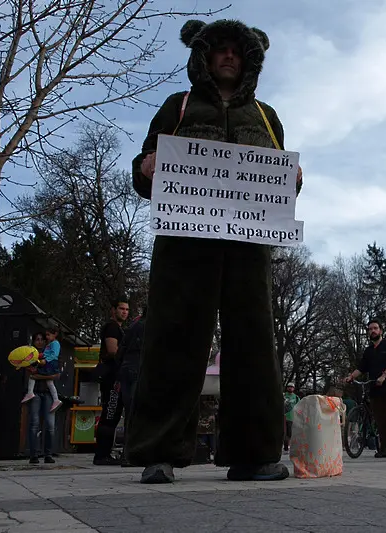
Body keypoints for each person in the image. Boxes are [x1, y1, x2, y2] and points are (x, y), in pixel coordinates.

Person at [126, 19, 302, 484]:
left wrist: (293, 182)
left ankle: (254, 454)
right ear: (203, 56)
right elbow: (142, 173)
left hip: (248, 248)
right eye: (219, 49)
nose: (228, 57)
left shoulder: (267, 116)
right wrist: (146, 167)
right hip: (184, 245)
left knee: (255, 344)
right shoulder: (177, 106)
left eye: (236, 51)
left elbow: (280, 183)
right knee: (174, 339)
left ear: (250, 60)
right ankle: (158, 452)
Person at [345, 319, 386, 458]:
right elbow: (361, 367)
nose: (372, 331)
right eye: (370, 329)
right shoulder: (369, 351)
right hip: (375, 388)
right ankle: (385, 448)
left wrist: (384, 376)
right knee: (379, 418)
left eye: (375, 328)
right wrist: (351, 377)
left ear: (380, 330)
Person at [93, 297, 129, 466]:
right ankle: (101, 455)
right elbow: (113, 350)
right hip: (112, 378)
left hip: (117, 377)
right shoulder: (112, 328)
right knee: (110, 413)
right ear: (113, 310)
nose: (124, 312)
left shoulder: (120, 329)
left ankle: (104, 453)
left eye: (127, 310)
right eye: (121, 308)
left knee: (113, 415)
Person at [117, 305, 146, 467]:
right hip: (138, 369)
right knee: (137, 411)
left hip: (126, 369)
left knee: (130, 412)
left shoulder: (133, 325)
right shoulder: (147, 326)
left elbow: (120, 350)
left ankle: (127, 453)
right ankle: (133, 453)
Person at [25, 332, 58, 464]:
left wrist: (37, 376)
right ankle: (34, 454)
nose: (39, 342)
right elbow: (28, 372)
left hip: (48, 392)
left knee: (50, 425)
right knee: (34, 423)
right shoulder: (30, 356)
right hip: (36, 392)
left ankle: (48, 453)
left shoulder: (50, 355)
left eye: (41, 340)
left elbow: (55, 375)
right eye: (36, 340)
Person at [21, 327, 62, 412]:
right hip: (48, 365)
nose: (47, 337)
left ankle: (30, 393)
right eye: (46, 335)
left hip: (50, 364)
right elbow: (47, 354)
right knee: (49, 382)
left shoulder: (55, 344)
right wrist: (40, 356)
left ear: (55, 334)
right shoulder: (49, 345)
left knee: (33, 376)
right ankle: (56, 399)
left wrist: (45, 360)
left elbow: (54, 355)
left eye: (48, 335)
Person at [283, 384, 300, 453]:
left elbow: (299, 406)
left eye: (292, 387)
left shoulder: (296, 397)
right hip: (283, 417)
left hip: (291, 417)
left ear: (293, 388)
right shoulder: (283, 395)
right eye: (289, 387)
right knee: (284, 432)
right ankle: (286, 448)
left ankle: (288, 446)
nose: (290, 388)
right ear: (287, 388)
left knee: (289, 433)